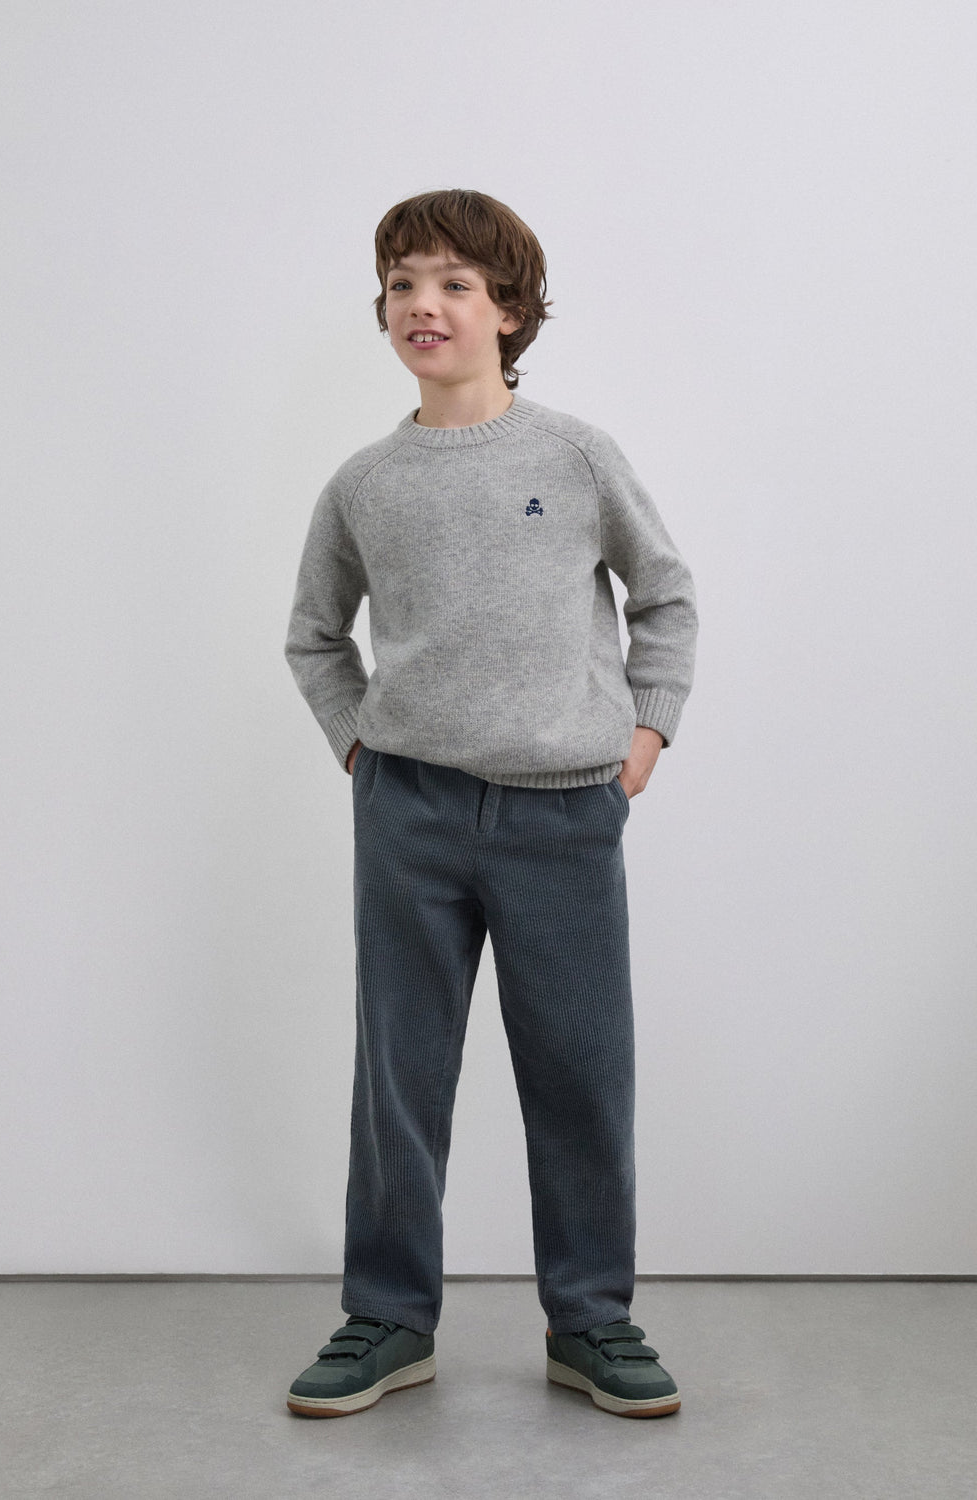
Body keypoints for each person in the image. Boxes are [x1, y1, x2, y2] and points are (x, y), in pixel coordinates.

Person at [282, 188, 698, 1420]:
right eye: (403, 284)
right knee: (399, 1073)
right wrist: (359, 747)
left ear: (509, 311)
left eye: (455, 284)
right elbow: (314, 636)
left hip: (564, 815)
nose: (425, 304)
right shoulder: (365, 483)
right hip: (407, 814)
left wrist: (646, 729)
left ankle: (592, 1318)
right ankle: (386, 1315)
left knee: (579, 1071)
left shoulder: (572, 457)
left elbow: (665, 595)